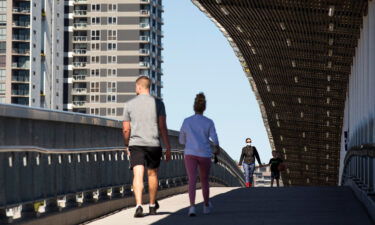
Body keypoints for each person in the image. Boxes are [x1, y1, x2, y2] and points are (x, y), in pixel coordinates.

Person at [122, 76, 171, 218]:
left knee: (137, 174)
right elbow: (162, 127)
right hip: (153, 144)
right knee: (152, 174)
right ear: (149, 87)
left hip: (136, 144)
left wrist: (127, 144)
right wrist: (168, 146)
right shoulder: (159, 104)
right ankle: (151, 205)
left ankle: (138, 205)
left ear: (139, 87)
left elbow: (125, 129)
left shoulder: (129, 104)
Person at [179, 93, 220, 217]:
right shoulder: (209, 122)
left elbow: (181, 140)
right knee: (204, 180)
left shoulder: (187, 121)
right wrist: (217, 147)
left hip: (190, 153)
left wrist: (189, 142)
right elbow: (214, 137)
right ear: (204, 108)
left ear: (194, 107)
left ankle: (192, 207)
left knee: (192, 179)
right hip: (204, 154)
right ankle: (206, 205)